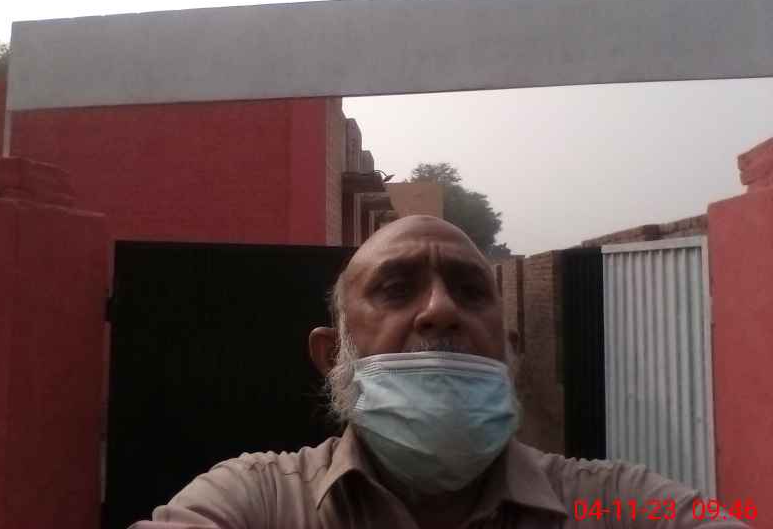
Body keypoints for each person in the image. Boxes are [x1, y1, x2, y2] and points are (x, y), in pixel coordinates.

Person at [130, 215, 748, 528]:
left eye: (470, 289)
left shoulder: (617, 504)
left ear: (509, 354)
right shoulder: (256, 501)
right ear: (332, 354)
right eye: (396, 288)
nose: (441, 309)